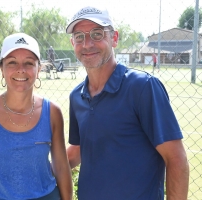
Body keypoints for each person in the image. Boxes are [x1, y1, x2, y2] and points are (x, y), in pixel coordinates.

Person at [65, 6, 189, 200]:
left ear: (114, 38)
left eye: (97, 34)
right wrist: (37, 168)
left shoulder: (143, 87)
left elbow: (175, 158)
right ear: (73, 43)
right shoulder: (77, 96)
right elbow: (79, 150)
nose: (87, 44)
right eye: (79, 36)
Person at [0, 33, 73, 200]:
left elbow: (61, 166)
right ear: (2, 68)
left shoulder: (52, 112)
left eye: (29, 63)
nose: (21, 69)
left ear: (39, 69)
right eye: (12, 62)